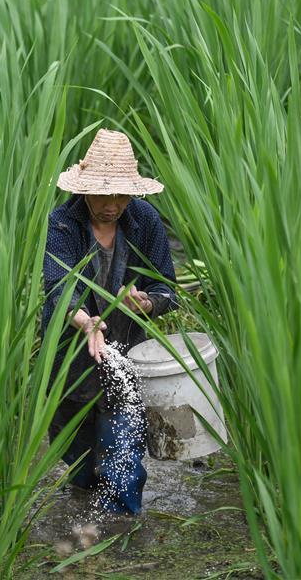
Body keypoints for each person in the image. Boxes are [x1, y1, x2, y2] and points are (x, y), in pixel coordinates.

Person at [41, 128, 179, 515]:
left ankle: (121, 537)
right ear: (84, 190)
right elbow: (58, 288)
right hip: (73, 358)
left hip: (125, 356)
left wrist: (148, 303)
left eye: (122, 195)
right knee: (80, 464)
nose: (113, 205)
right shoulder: (63, 224)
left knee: (122, 461)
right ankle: (87, 513)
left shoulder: (145, 220)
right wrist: (86, 322)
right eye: (104, 194)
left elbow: (166, 286)